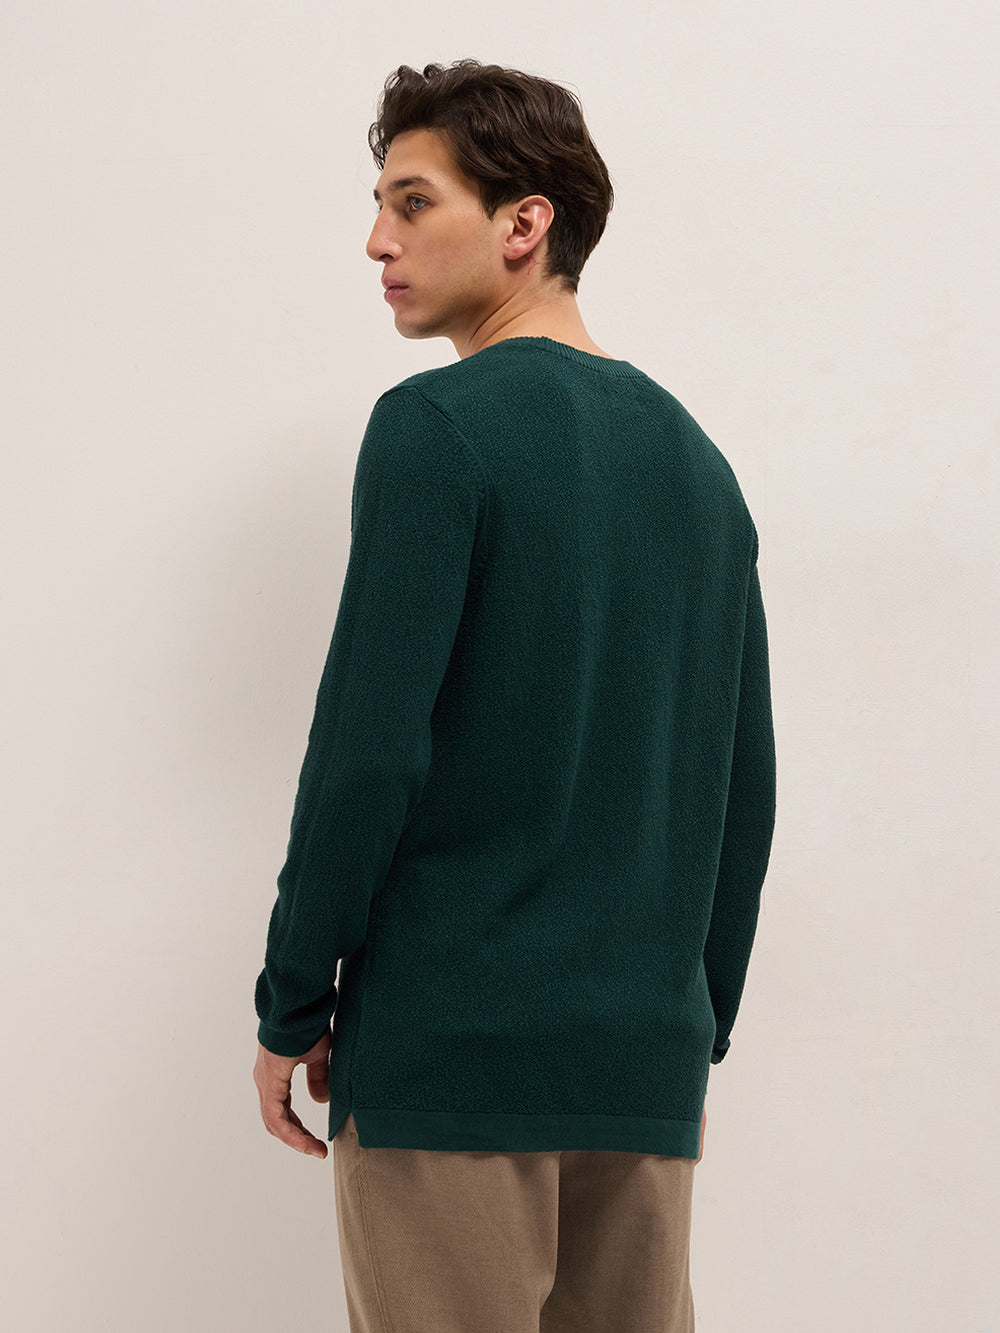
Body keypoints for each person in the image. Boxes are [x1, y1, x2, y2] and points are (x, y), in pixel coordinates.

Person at [253, 58, 776, 1333]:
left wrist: (293, 1000)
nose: (378, 241)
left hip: (454, 1058)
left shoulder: (438, 429)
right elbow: (741, 790)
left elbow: (367, 752)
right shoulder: (702, 468)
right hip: (639, 1074)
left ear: (523, 222)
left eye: (413, 201)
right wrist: (687, 1029)